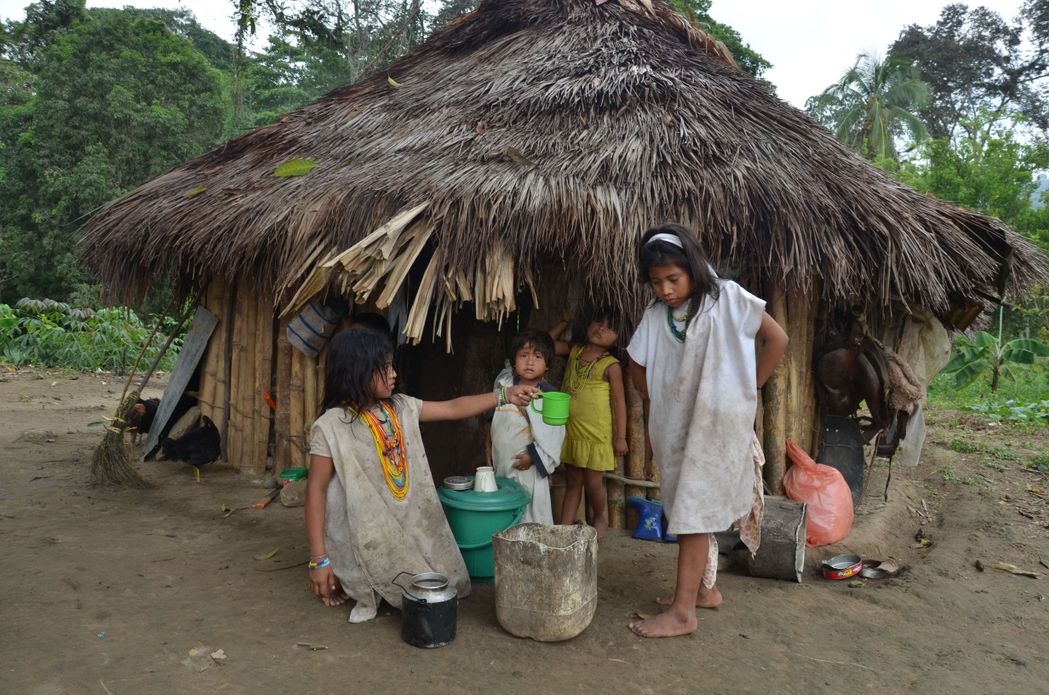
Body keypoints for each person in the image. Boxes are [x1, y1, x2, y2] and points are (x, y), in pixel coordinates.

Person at [305, 329, 539, 622]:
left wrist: (504, 395)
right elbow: (315, 490)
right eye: (385, 367)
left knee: (441, 583)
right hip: (359, 532)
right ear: (357, 371)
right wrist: (319, 560)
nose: (393, 374)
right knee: (369, 583)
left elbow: (454, 408)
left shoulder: (401, 407)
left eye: (393, 366)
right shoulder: (330, 427)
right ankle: (351, 574)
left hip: (405, 523)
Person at [626, 223, 788, 639]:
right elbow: (637, 365)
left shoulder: (728, 299)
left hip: (716, 426)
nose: (664, 289)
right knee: (687, 507)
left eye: (673, 279)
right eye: (656, 281)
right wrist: (658, 401)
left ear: (693, 268)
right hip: (677, 430)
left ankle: (683, 614)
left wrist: (747, 388)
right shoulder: (655, 315)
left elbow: (778, 340)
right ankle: (703, 592)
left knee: (694, 515)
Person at [549, 308, 628, 540]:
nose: (601, 328)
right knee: (573, 480)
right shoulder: (575, 351)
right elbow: (545, 345)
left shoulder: (611, 365)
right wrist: (563, 323)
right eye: (598, 321)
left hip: (596, 435)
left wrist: (621, 437)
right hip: (572, 431)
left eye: (609, 327)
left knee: (593, 484)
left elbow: (619, 402)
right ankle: (563, 529)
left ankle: (599, 516)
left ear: (619, 338)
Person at [485, 330, 565, 524]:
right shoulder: (503, 388)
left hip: (528, 469)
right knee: (504, 511)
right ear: (514, 361)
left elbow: (555, 435)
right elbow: (490, 420)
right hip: (502, 463)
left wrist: (533, 457)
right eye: (523, 355)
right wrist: (488, 449)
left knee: (531, 514)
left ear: (547, 366)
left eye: (537, 357)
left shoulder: (550, 396)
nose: (530, 362)